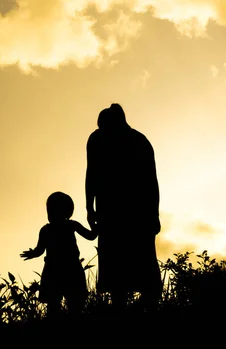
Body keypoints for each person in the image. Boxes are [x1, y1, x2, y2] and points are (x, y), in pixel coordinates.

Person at [85, 103, 162, 314]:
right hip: (109, 213)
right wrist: (89, 208)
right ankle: (120, 309)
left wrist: (154, 214)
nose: (104, 131)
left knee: (145, 263)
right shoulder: (96, 139)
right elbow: (91, 174)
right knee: (114, 266)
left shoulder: (139, 142)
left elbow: (150, 182)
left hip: (139, 214)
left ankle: (151, 308)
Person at [20, 191, 98, 320]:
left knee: (59, 305)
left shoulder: (47, 229)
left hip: (56, 269)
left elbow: (39, 250)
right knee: (68, 305)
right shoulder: (69, 226)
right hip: (68, 268)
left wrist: (33, 253)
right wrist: (95, 225)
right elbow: (91, 236)